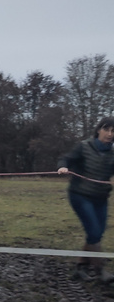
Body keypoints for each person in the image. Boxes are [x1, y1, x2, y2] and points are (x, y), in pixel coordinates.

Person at [57, 117, 114, 280]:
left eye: (113, 131)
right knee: (94, 232)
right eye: (106, 129)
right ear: (98, 130)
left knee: (96, 233)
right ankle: (100, 270)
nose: (110, 134)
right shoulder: (84, 146)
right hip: (80, 196)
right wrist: (62, 167)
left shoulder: (112, 153)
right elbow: (66, 158)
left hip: (100, 198)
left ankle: (81, 267)